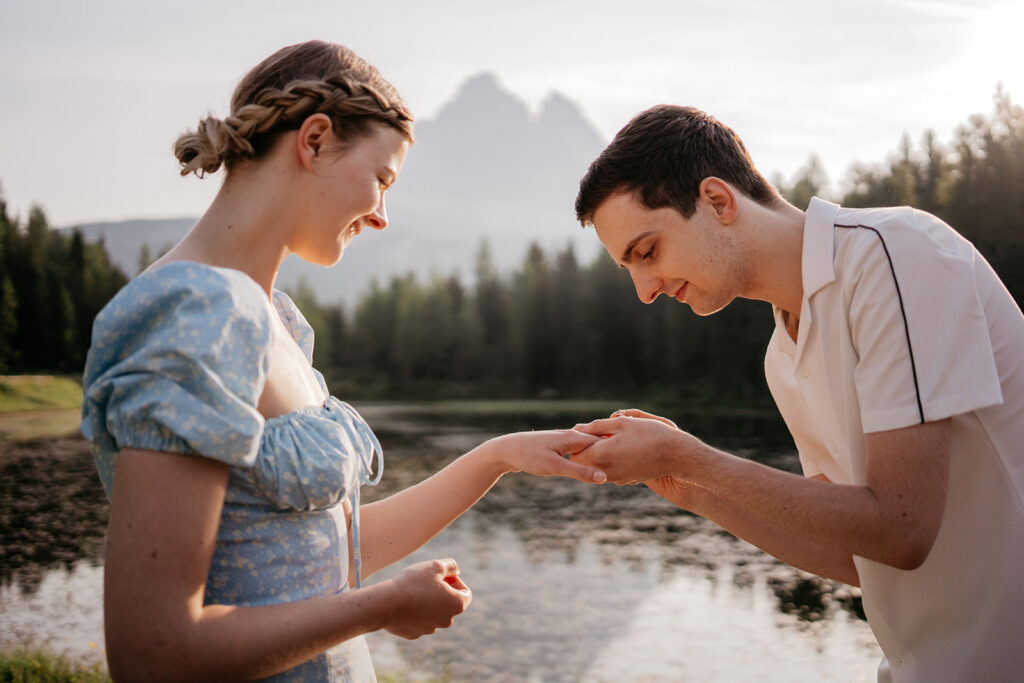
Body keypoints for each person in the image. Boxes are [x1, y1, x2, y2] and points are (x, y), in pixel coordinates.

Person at [80, 40, 606, 682]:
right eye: (381, 179)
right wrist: (377, 608)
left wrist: (495, 458)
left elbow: (316, 559)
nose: (382, 215)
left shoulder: (276, 318)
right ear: (316, 140)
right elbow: (155, 654)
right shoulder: (193, 314)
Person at [569, 105, 1024, 682]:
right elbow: (858, 555)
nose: (645, 290)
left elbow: (902, 529)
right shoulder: (782, 355)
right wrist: (693, 489)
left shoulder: (893, 256)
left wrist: (689, 456)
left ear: (718, 201)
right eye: (629, 267)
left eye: (648, 252)